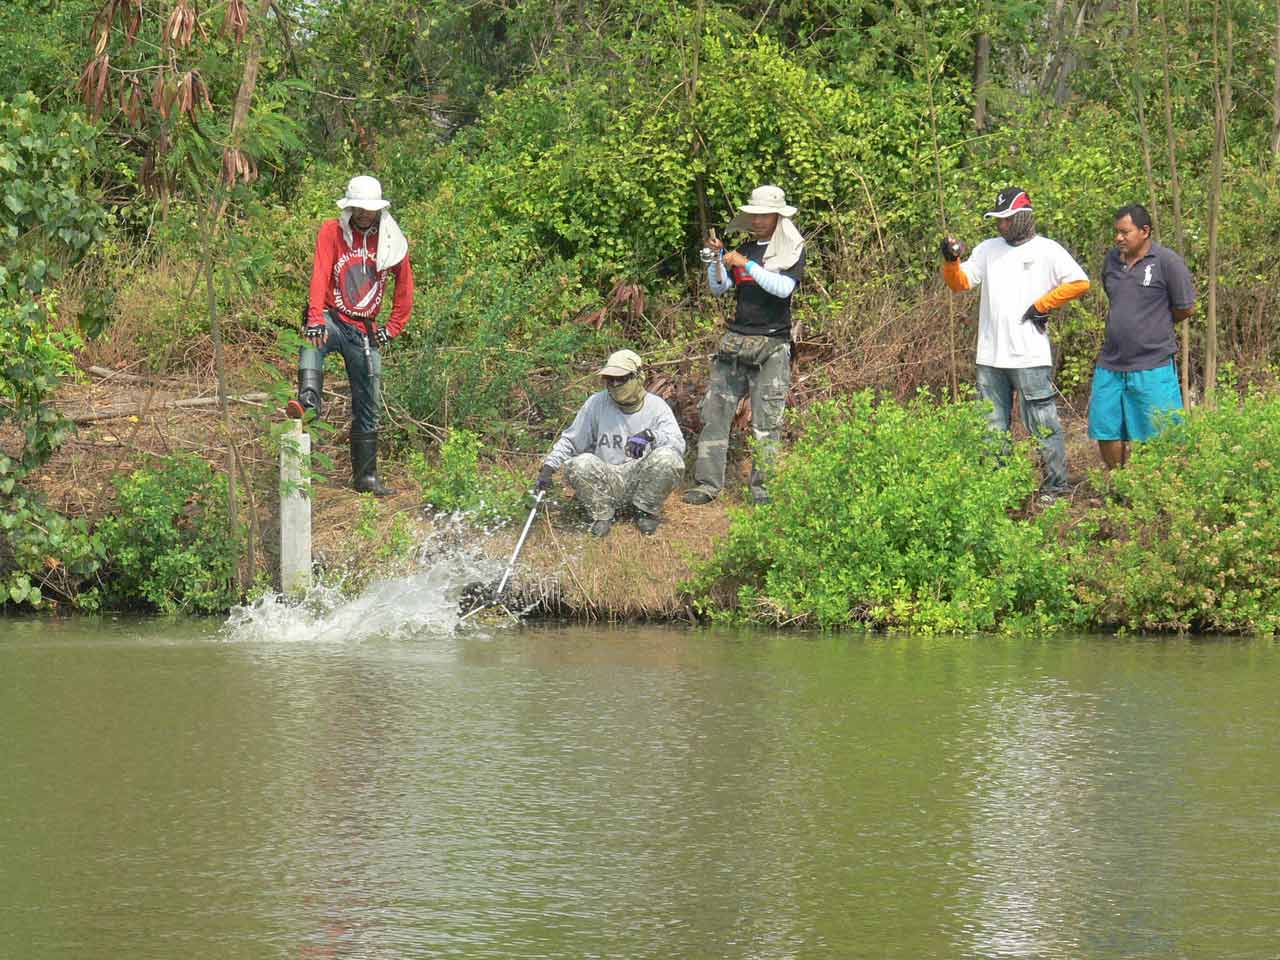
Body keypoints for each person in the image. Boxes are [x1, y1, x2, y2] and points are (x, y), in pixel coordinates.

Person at [940, 186, 1090, 501]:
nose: (1001, 225)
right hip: (990, 357)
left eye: (1006, 219)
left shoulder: (1048, 250)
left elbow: (1079, 282)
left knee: (1043, 424)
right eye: (998, 219)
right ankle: (1001, 491)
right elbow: (961, 283)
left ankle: (1056, 487)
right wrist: (950, 260)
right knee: (991, 429)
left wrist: (1043, 305)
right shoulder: (987, 248)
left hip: (1030, 356)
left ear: (1022, 217)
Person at [285, 175, 414, 497]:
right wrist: (315, 316)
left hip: (365, 328)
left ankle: (365, 477)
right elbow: (320, 271)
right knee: (310, 339)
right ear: (351, 207)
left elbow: (405, 286)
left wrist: (393, 327)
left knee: (369, 398)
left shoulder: (390, 240)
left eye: (369, 209)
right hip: (332, 316)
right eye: (359, 208)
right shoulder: (332, 231)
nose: (365, 214)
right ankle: (309, 400)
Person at [684, 184, 805, 506]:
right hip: (736, 341)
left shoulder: (790, 250)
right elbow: (719, 288)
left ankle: (762, 492)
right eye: (753, 215)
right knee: (715, 414)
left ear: (777, 217)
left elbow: (782, 288)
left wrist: (745, 264)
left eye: (763, 215)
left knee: (767, 423)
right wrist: (717, 260)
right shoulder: (744, 249)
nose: (756, 221)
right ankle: (707, 485)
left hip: (773, 345)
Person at [1088, 203, 1196, 468]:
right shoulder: (1112, 261)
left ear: (1145, 231)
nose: (1118, 238)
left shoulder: (1167, 262)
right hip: (1111, 362)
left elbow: (1184, 308)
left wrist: (1152, 325)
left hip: (1153, 362)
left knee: (1160, 431)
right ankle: (1119, 483)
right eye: (1117, 232)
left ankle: (1157, 488)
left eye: (1125, 232)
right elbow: (1116, 297)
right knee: (1106, 427)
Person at [535, 350, 685, 537]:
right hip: (606, 477)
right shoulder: (596, 403)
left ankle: (645, 510)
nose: (614, 384)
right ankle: (602, 514)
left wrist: (651, 435)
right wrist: (549, 467)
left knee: (669, 459)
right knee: (579, 463)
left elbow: (677, 444)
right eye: (609, 379)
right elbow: (572, 440)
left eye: (621, 378)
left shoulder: (656, 406)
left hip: (639, 477)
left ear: (638, 376)